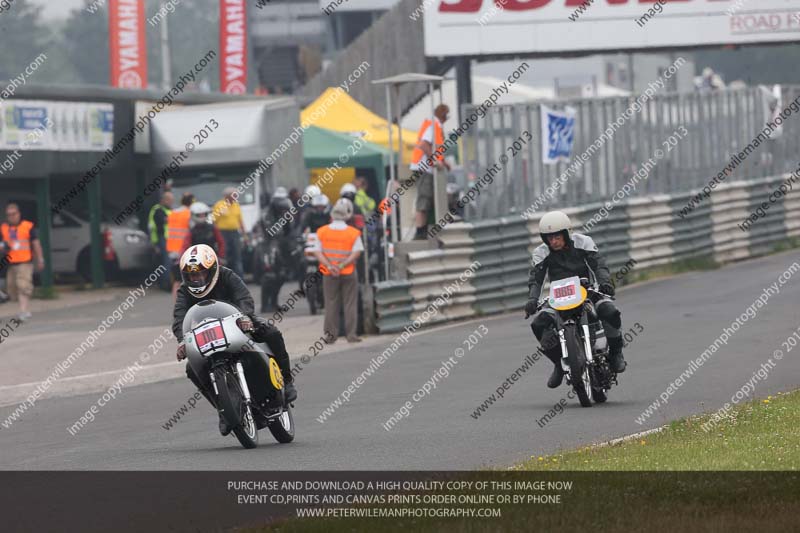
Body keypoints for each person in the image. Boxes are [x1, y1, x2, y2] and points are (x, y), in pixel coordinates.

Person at [173, 244, 297, 436]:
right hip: (208, 334)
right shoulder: (184, 291)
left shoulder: (227, 275)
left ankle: (287, 381)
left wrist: (245, 316)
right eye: (190, 276)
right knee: (191, 368)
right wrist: (182, 340)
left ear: (212, 270)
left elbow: (244, 297)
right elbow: (179, 318)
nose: (195, 279)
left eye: (199, 274)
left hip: (239, 321)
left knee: (271, 332)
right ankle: (223, 410)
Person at [525, 211, 626, 389]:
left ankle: (616, 354)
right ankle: (559, 364)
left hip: (587, 291)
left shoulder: (583, 242)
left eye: (557, 236)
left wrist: (604, 283)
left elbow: (599, 265)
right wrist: (532, 299)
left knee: (610, 311)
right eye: (549, 238)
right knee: (538, 324)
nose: (553, 241)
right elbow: (536, 279)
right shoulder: (541, 252)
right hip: (558, 297)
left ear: (566, 233)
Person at [311, 198, 363, 343]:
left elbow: (317, 251)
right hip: (348, 272)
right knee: (350, 303)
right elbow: (357, 252)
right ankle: (351, 335)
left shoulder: (322, 231)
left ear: (332, 216)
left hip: (329, 273)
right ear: (346, 216)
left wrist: (329, 266)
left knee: (331, 303)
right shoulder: (353, 233)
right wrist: (342, 265)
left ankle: (330, 336)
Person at [410, 104, 451, 240]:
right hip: (424, 168)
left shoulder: (434, 124)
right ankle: (420, 231)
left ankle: (424, 229)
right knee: (424, 199)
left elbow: (435, 148)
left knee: (428, 199)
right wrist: (434, 160)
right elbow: (424, 145)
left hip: (425, 168)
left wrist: (443, 162)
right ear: (443, 115)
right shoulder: (434, 125)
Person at [0, 203, 44, 321]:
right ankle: (23, 309)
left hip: (25, 262)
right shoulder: (3, 228)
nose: (11, 217)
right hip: (10, 263)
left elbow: (36, 244)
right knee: (12, 290)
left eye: (13, 214)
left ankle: (23, 312)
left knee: (23, 286)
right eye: (9, 215)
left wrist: (40, 259)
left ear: (18, 214)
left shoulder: (28, 226)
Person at [212, 187, 248, 280]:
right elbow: (213, 221)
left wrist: (245, 235)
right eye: (234, 195)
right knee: (224, 256)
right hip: (223, 233)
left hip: (235, 233)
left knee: (237, 256)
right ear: (227, 196)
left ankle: (240, 278)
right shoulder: (219, 205)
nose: (236, 197)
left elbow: (240, 221)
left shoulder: (236, 205)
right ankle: (224, 278)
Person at [167, 193, 194, 298]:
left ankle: (177, 304)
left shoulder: (172, 213)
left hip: (172, 249)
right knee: (190, 278)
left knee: (177, 280)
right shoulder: (189, 214)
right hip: (185, 250)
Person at [148, 192, 173, 291]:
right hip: (162, 239)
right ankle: (166, 284)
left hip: (170, 240)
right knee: (166, 262)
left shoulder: (168, 210)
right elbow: (161, 223)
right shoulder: (158, 210)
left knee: (167, 262)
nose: (171, 202)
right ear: (164, 200)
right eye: (169, 200)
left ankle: (166, 282)